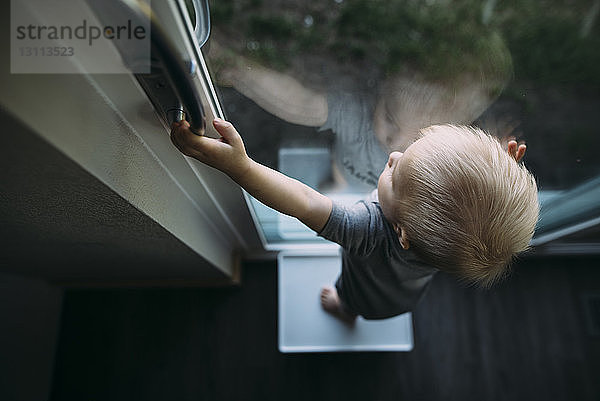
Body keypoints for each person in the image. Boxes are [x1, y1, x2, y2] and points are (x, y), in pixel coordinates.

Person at [170, 118, 539, 323]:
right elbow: (477, 209)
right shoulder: (450, 241)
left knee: (346, 301)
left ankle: (346, 314)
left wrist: (241, 167)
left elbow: (303, 202)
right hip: (407, 297)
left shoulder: (369, 231)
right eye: (404, 155)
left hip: (367, 298)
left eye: (395, 177)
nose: (392, 157)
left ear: (402, 234)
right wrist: (501, 172)